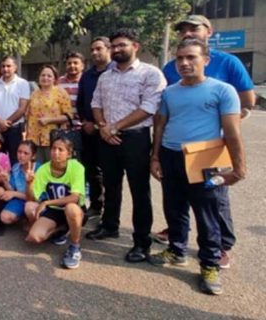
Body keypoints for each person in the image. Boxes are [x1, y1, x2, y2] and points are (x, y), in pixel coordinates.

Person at [153, 15, 256, 266]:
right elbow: (160, 124)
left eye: (191, 58)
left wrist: (239, 168)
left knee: (208, 213)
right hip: (170, 154)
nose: (185, 63)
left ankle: (210, 262)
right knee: (174, 208)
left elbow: (232, 132)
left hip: (205, 156)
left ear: (206, 60)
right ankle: (177, 250)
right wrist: (155, 156)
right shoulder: (169, 91)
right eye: (180, 58)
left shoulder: (223, 90)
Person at [86, 29, 167, 263]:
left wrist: (115, 126)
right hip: (107, 138)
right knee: (110, 185)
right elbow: (96, 103)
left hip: (135, 139)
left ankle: (142, 242)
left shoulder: (151, 74)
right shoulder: (106, 77)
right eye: (114, 46)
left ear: (136, 46)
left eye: (122, 45)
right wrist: (103, 126)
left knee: (139, 191)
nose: (117, 49)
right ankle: (109, 225)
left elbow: (149, 106)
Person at [24, 137, 86, 269]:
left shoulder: (77, 167)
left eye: (60, 150)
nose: (55, 152)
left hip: (73, 209)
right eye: (53, 149)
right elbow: (32, 199)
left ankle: (75, 247)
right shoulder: (44, 169)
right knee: (34, 237)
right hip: (54, 210)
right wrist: (29, 184)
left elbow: (74, 198)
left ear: (69, 154)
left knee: (71, 208)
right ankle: (62, 228)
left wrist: (47, 202)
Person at [77, 37, 112, 220]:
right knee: (91, 170)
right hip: (89, 130)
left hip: (113, 132)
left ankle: (111, 215)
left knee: (110, 172)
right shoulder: (87, 76)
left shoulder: (116, 72)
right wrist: (86, 122)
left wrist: (102, 125)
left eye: (99, 48)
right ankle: (96, 206)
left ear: (109, 49)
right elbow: (82, 102)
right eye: (92, 49)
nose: (95, 53)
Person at [24, 64, 73, 164]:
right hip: (34, 139)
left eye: (49, 76)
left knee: (53, 167)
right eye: (43, 75)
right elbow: (28, 115)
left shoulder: (60, 92)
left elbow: (68, 116)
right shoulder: (34, 94)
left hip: (52, 139)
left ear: (55, 79)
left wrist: (49, 120)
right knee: (36, 169)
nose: (45, 78)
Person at [0, 56, 30, 165]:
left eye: (8, 66)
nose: (5, 69)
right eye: (3, 66)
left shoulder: (22, 83)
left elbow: (22, 108)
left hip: (14, 130)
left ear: (15, 67)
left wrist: (6, 123)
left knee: (15, 159)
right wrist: (0, 123)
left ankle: (13, 182)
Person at [0, 140, 38, 236]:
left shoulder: (39, 170)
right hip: (20, 199)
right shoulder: (16, 167)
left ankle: (31, 221)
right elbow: (12, 189)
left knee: (29, 207)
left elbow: (36, 198)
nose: (21, 155)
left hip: (34, 202)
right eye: (19, 152)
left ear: (33, 156)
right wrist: (4, 181)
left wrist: (14, 194)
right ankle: (20, 217)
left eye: (26, 153)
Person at [57, 52, 84, 118]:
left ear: (82, 66)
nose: (72, 65)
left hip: (83, 125)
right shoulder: (58, 82)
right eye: (69, 63)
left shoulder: (86, 81)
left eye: (75, 63)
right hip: (62, 125)